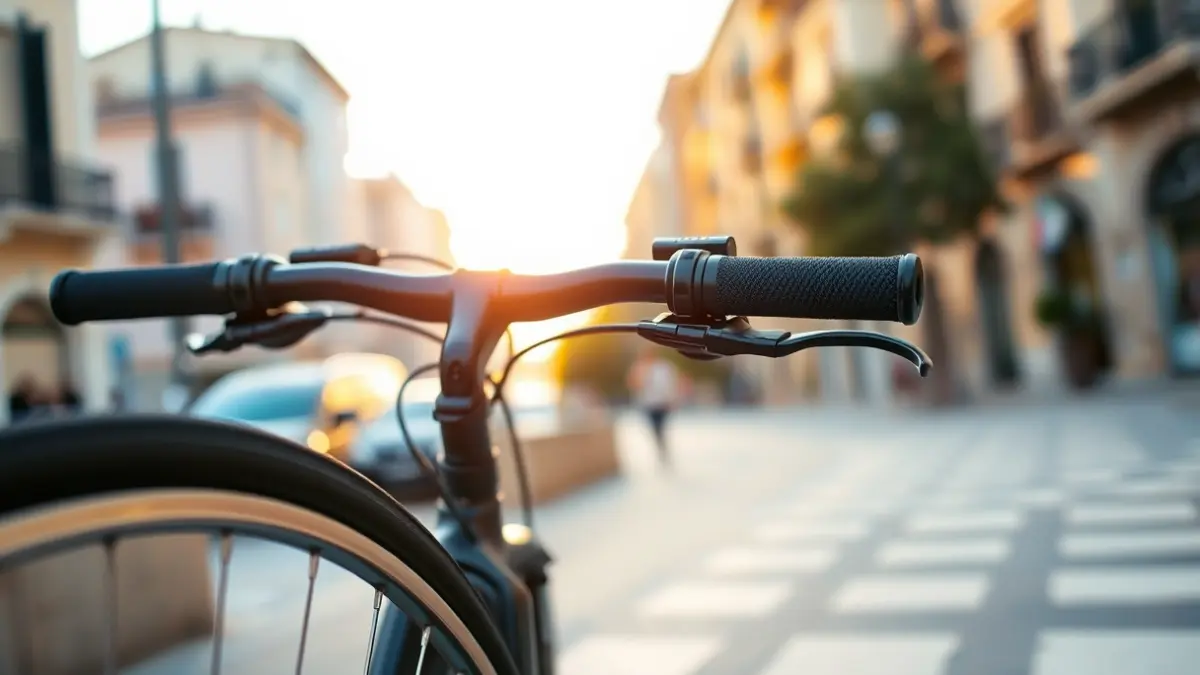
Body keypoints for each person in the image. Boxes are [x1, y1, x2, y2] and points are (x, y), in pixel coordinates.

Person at [627, 347, 683, 467]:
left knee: (660, 428)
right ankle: (661, 450)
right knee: (655, 429)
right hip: (648, 404)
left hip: (662, 403)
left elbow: (672, 383)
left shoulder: (664, 367)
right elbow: (633, 384)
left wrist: (673, 399)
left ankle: (662, 450)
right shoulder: (639, 367)